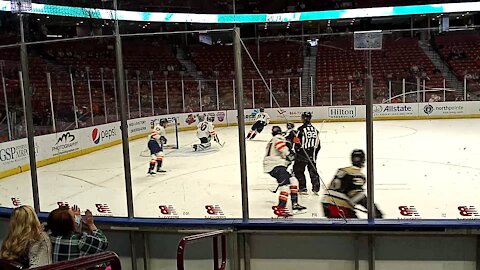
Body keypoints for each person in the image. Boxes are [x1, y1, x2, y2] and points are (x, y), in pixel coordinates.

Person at [321, 150, 383, 219]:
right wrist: (375, 211)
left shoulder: (342, 170)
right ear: (363, 160)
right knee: (356, 227)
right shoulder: (357, 175)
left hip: (326, 203)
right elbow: (357, 196)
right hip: (340, 207)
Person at [264, 126, 306, 217]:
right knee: (285, 185)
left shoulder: (272, 140)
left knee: (293, 180)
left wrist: (287, 160)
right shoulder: (278, 139)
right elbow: (281, 147)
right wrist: (289, 154)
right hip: (276, 165)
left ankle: (294, 204)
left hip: (275, 165)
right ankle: (281, 207)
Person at [293, 112, 321, 195]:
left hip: (302, 153)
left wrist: (296, 151)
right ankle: (316, 187)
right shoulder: (315, 130)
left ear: (303, 118)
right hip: (312, 152)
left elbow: (296, 142)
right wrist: (314, 155)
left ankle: (303, 187)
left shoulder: (300, 129)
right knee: (313, 170)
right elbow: (318, 144)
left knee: (298, 170)